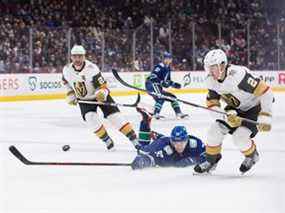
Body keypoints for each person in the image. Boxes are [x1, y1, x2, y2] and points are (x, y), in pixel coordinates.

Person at [194, 49, 274, 174]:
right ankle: (211, 160)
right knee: (214, 131)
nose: (210, 72)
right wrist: (226, 117)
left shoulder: (238, 75)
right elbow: (212, 104)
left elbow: (266, 92)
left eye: (213, 68)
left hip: (253, 109)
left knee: (239, 138)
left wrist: (265, 116)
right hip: (234, 110)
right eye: (208, 68)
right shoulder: (211, 81)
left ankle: (252, 156)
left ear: (222, 65)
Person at [62, 45, 140, 150]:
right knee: (91, 119)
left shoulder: (92, 68)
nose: (77, 59)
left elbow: (103, 87)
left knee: (116, 118)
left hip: (100, 97)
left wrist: (102, 93)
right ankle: (107, 140)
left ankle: (135, 140)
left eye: (80, 56)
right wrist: (70, 93)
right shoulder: (67, 70)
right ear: (71, 57)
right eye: (75, 56)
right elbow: (65, 82)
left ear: (84, 57)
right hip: (84, 100)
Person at [131, 107, 206, 170]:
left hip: (165, 139)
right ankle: (145, 122)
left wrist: (195, 160)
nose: (178, 145)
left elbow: (209, 155)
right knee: (141, 149)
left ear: (187, 139)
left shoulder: (195, 143)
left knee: (162, 139)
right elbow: (147, 155)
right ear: (171, 141)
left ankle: (158, 135)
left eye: (182, 142)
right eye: (175, 142)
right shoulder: (162, 147)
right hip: (163, 141)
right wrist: (143, 161)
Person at [145, 52, 188, 119]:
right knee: (161, 97)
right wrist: (161, 82)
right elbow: (152, 77)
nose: (168, 60)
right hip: (151, 84)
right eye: (166, 58)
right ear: (164, 59)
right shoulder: (159, 67)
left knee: (173, 97)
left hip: (158, 86)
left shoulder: (168, 68)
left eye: (169, 58)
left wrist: (174, 84)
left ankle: (178, 113)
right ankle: (155, 114)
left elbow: (167, 81)